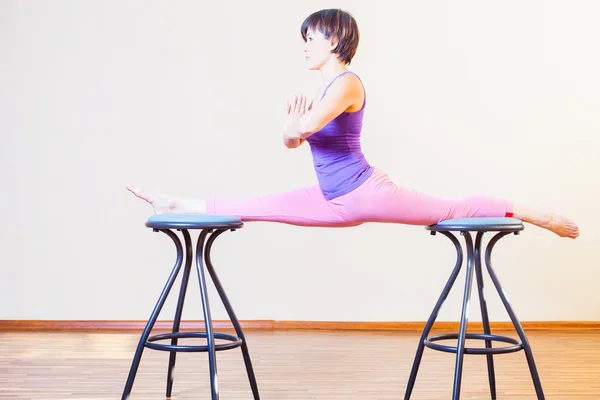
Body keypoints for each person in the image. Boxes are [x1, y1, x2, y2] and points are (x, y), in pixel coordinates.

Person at [127, 9, 578, 239]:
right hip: (329, 197)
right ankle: (171, 202)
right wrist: (292, 128)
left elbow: (300, 130)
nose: (304, 46)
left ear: (336, 40)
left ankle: (538, 214)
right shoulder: (324, 92)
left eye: (311, 38)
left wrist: (295, 127)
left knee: (451, 209)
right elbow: (291, 139)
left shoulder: (346, 84)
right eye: (303, 39)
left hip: (364, 192)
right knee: (252, 204)